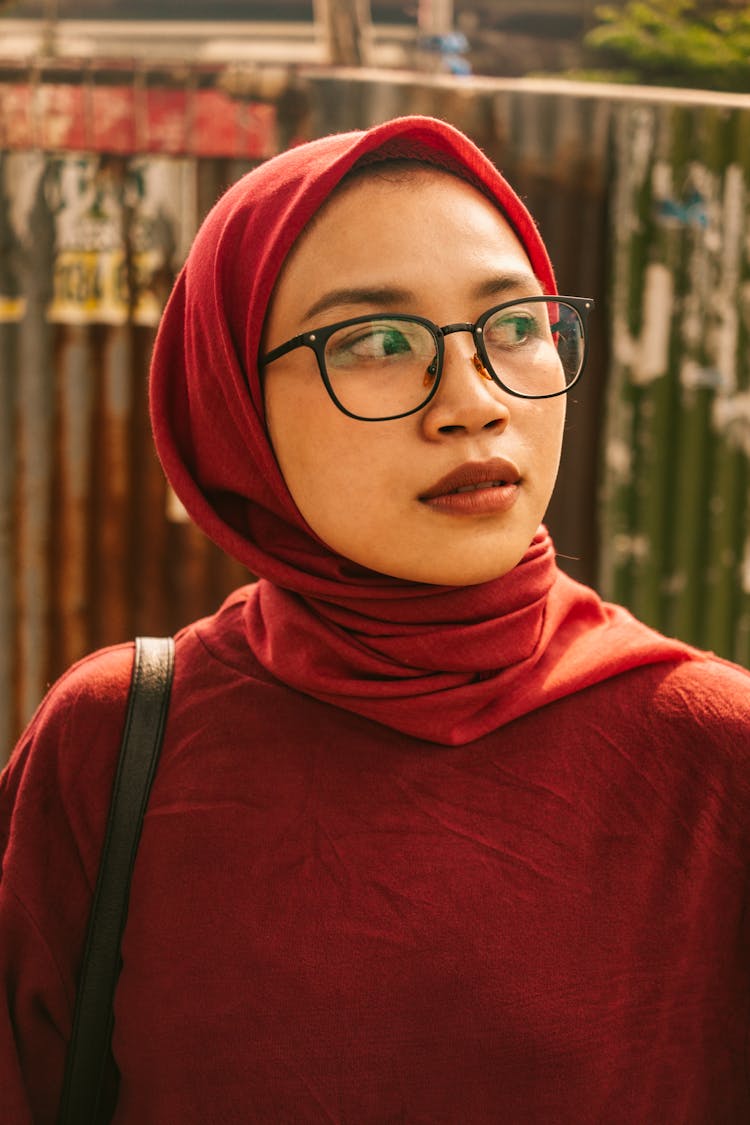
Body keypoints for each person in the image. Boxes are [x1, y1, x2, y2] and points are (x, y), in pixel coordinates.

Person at [1, 114, 749, 1124]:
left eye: (518, 325)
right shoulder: (115, 741)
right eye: (378, 342)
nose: (474, 402)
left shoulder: (715, 756)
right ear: (232, 400)